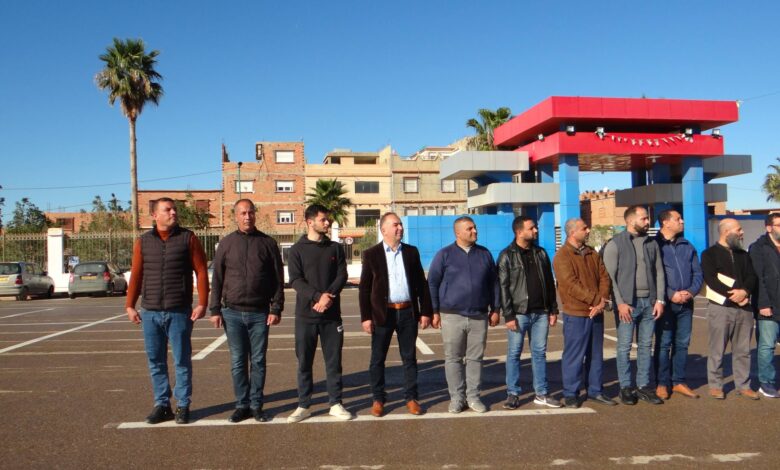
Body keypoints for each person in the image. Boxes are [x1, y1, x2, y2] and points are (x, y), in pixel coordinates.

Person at [125, 197, 209, 424]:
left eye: (174, 210)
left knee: (181, 360)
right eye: (168, 210)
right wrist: (130, 305)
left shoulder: (188, 238)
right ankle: (162, 405)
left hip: (179, 311)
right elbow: (136, 275)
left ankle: (182, 405)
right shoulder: (143, 242)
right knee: (156, 361)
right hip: (150, 312)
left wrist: (202, 303)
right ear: (155, 215)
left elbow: (201, 271)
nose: (173, 213)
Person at [208, 199, 284, 422]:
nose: (247, 217)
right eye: (243, 213)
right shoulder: (226, 244)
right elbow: (217, 279)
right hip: (231, 313)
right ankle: (242, 405)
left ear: (255, 214)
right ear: (236, 216)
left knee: (258, 361)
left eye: (250, 212)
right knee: (238, 361)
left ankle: (256, 405)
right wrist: (215, 309)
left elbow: (278, 279)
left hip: (260, 313)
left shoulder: (268, 243)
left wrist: (276, 308)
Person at [359, 212, 433, 417]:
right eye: (395, 225)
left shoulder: (411, 252)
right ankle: (378, 399)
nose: (400, 228)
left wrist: (426, 311)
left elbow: (421, 284)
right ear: (384, 230)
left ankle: (411, 398)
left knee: (409, 358)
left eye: (400, 224)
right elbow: (364, 289)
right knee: (377, 359)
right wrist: (366, 317)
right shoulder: (371, 254)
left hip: (407, 312)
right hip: (383, 314)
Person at [286, 204, 351, 422]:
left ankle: (335, 403)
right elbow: (295, 280)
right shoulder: (296, 250)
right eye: (323, 219)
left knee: (334, 362)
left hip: (331, 317)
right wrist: (317, 297)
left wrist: (328, 297)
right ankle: (304, 405)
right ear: (310, 222)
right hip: (306, 317)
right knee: (304, 362)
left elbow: (342, 275)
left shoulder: (335, 248)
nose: (327, 222)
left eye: (328, 219)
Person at [428, 216, 500, 413]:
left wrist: (496, 309)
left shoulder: (484, 254)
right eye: (470, 228)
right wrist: (434, 311)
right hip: (451, 316)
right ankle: (457, 398)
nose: (475, 231)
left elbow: (494, 283)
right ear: (458, 233)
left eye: (475, 227)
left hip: (479, 315)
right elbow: (432, 282)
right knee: (453, 358)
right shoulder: (444, 255)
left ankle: (474, 397)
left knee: (476, 358)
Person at [602, 205, 665, 405]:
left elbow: (659, 272)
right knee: (624, 347)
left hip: (650, 303)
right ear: (630, 220)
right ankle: (626, 387)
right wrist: (620, 303)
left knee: (646, 345)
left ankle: (644, 386)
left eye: (647, 218)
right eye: (644, 218)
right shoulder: (615, 244)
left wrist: (660, 300)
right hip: (628, 305)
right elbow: (610, 278)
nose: (648, 222)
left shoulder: (651, 243)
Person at [497, 216, 561, 409]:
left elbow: (549, 282)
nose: (536, 231)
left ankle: (541, 393)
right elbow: (503, 287)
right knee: (514, 353)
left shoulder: (540, 253)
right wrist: (508, 315)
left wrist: (553, 309)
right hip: (519, 313)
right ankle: (513, 393)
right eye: (531, 228)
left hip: (541, 313)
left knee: (539, 353)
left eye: (536, 227)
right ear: (519, 232)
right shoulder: (506, 255)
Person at [553, 218, 616, 408]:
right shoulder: (562, 256)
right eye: (584, 228)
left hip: (596, 312)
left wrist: (601, 300)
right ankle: (571, 393)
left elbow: (604, 277)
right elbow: (570, 284)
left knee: (595, 354)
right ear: (572, 232)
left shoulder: (592, 253)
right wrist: (596, 300)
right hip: (576, 313)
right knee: (574, 355)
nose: (588, 231)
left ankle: (595, 390)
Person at [701, 218, 758, 399]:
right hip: (721, 308)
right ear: (726, 232)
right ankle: (716, 385)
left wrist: (745, 291)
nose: (742, 233)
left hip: (744, 308)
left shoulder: (743, 254)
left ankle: (743, 385)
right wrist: (734, 296)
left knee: (743, 350)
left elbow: (752, 276)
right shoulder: (709, 254)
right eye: (739, 230)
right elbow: (711, 279)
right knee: (717, 349)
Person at [653, 210, 703, 399]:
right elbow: (651, 275)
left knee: (682, 343)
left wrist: (690, 292)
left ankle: (679, 381)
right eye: (678, 219)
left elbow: (697, 273)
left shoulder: (687, 245)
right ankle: (661, 383)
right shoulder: (654, 245)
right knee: (664, 344)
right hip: (664, 304)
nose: (682, 221)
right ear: (665, 223)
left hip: (686, 304)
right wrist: (670, 294)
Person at [749, 214, 780, 398]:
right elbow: (758, 278)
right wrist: (763, 304)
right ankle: (766, 383)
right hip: (768, 305)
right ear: (769, 228)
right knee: (767, 346)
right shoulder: (758, 248)